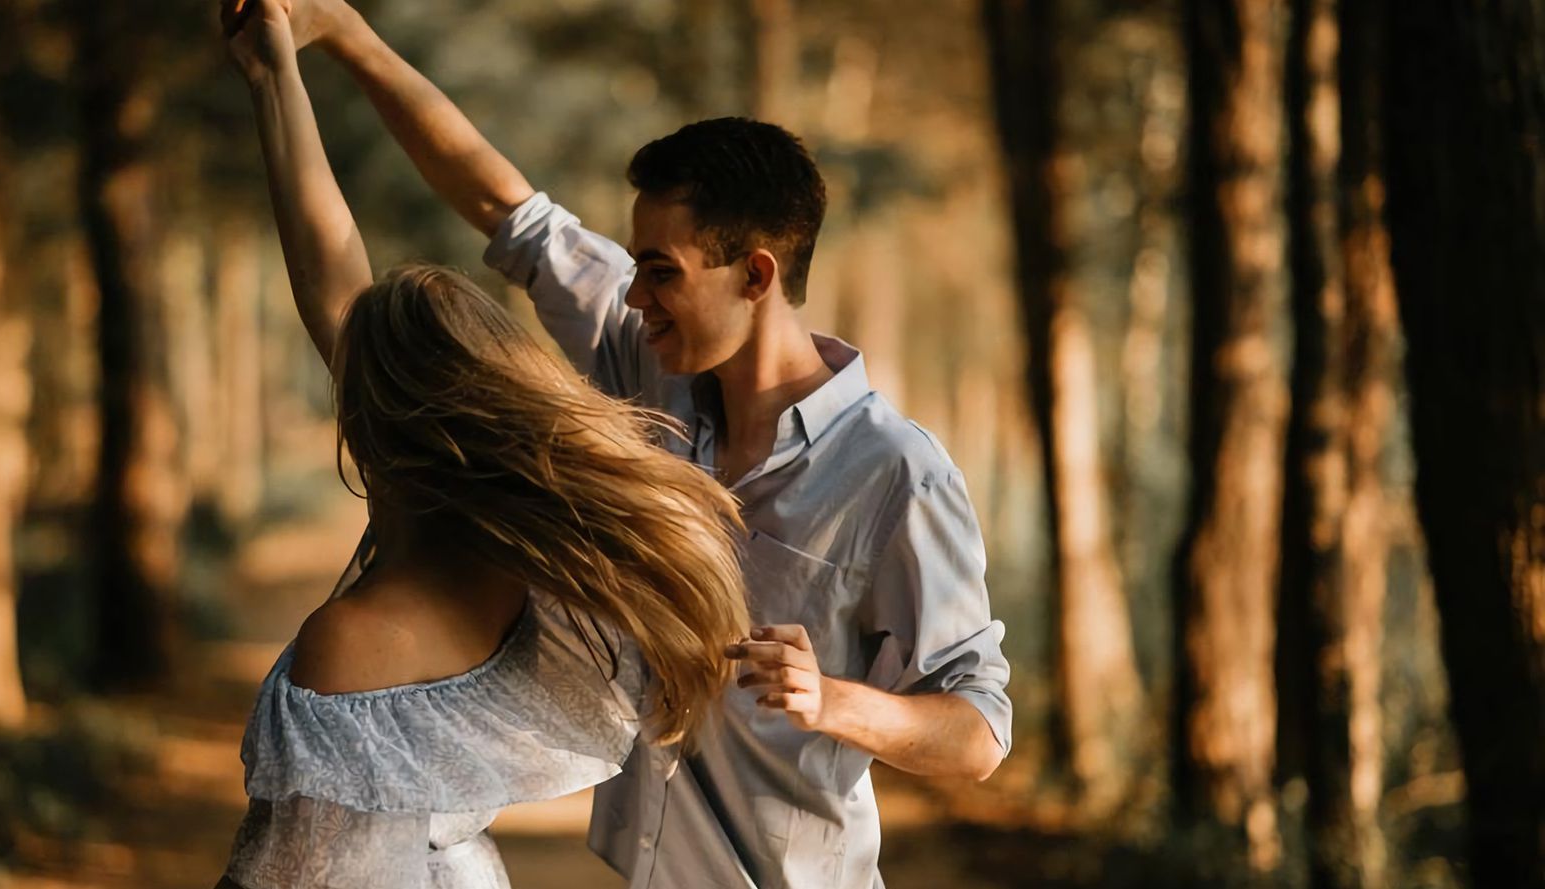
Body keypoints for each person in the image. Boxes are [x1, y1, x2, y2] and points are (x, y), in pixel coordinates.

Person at [275, 3, 1016, 888]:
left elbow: (980, 733)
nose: (634, 299)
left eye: (662, 272)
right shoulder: (648, 367)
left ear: (757, 274)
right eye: (634, 270)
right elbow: (503, 207)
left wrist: (835, 702)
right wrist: (345, 36)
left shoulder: (897, 473)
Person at [214, 2, 753, 886]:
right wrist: (278, 77)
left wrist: (289, 69)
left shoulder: (349, 644)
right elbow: (335, 279)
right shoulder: (544, 586)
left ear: (373, 418)